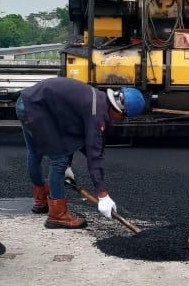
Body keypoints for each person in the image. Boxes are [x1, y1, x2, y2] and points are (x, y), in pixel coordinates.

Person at [15, 77, 145, 229]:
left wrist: (68, 168)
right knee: (59, 159)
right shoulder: (97, 114)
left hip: (25, 101)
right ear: (120, 110)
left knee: (35, 151)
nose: (120, 120)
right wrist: (102, 195)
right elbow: (93, 153)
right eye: (124, 117)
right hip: (37, 108)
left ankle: (41, 200)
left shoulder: (98, 99)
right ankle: (57, 215)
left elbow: (68, 132)